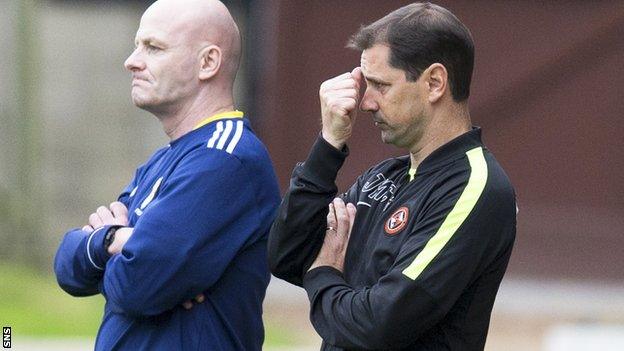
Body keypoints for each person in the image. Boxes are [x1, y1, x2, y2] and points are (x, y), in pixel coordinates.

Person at [268, 3, 516, 350]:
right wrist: (329, 144)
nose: (365, 102)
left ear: (434, 83)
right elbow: (288, 255)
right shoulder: (384, 177)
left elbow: (377, 324)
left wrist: (324, 274)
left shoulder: (475, 186)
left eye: (380, 85)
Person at [53, 0, 280, 349]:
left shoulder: (225, 159)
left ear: (208, 63)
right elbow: (68, 268)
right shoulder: (165, 160)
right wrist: (113, 240)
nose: (132, 61)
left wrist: (114, 246)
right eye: (137, 45)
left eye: (153, 48)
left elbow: (137, 286)